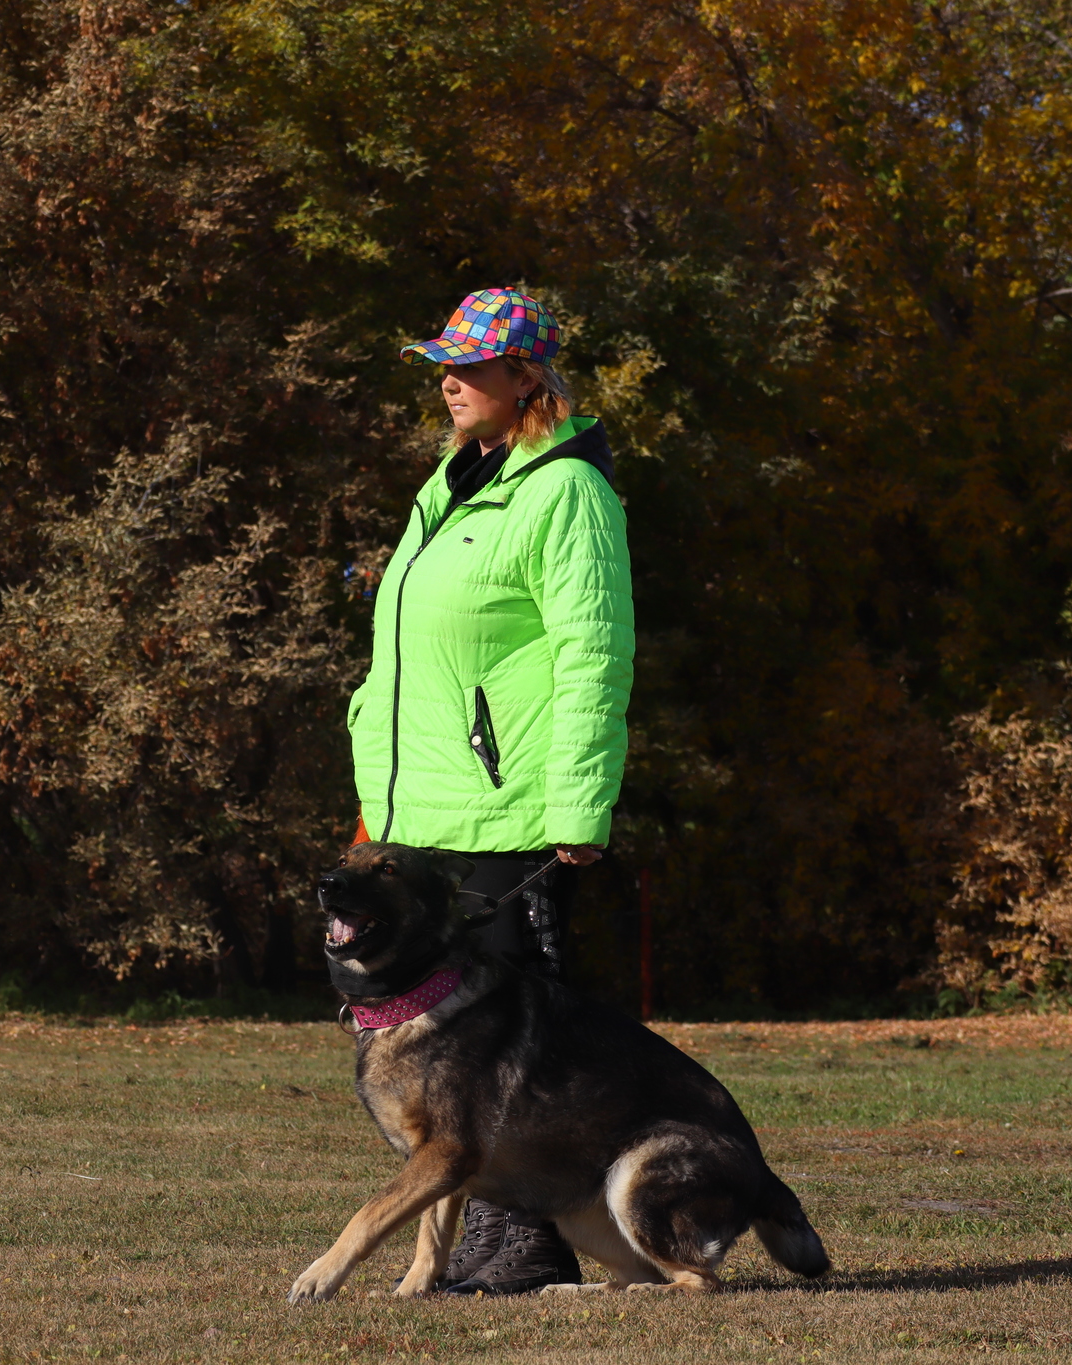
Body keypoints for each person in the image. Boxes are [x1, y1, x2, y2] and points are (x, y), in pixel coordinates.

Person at [343, 287, 634, 1291]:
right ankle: (472, 1241)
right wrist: (372, 798)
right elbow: (399, 666)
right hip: (417, 823)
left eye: (469, 365)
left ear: (526, 378)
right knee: (437, 1063)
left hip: (509, 823)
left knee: (517, 1057)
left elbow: (591, 653)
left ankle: (531, 1236)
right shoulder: (451, 485)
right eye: (444, 362)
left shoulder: (566, 493)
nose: (448, 379)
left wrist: (577, 806)